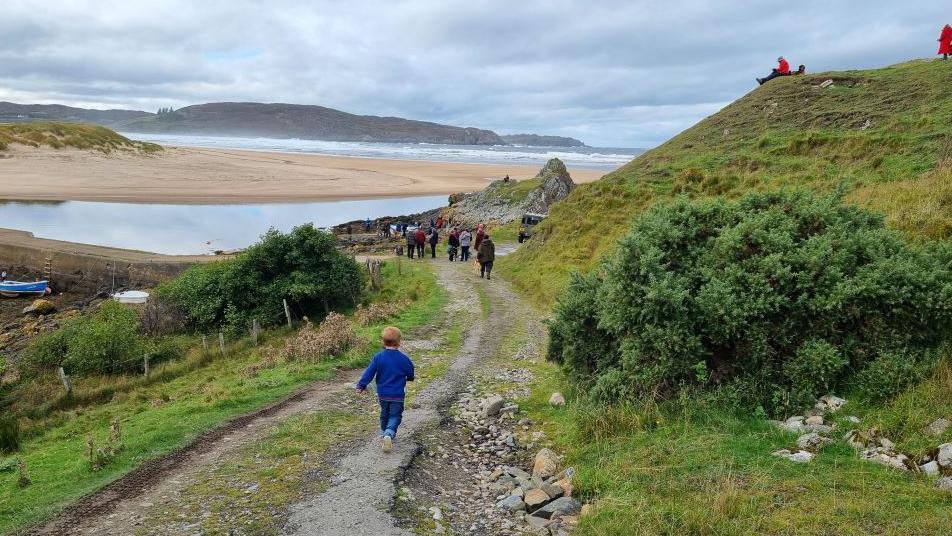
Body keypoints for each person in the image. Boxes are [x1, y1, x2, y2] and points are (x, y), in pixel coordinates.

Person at [356, 326, 415, 453]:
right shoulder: (403, 359)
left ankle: (384, 432)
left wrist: (361, 385)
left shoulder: (378, 357)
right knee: (395, 415)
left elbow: (369, 373)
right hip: (398, 394)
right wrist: (410, 377)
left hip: (382, 393)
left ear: (383, 342)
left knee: (384, 413)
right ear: (399, 342)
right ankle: (389, 433)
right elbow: (410, 371)